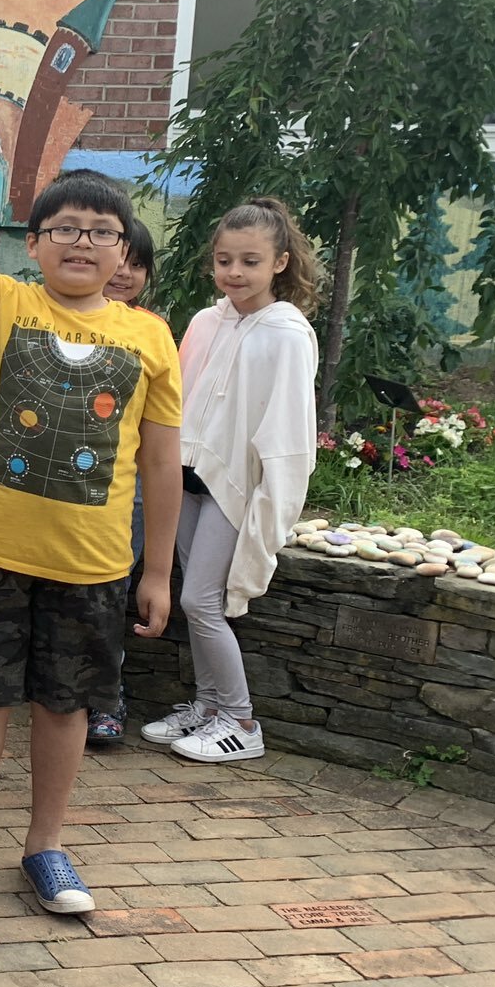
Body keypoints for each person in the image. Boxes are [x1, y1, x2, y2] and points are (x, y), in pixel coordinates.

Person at [0, 128, 182, 917]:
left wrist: (155, 570)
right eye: (65, 228)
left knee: (66, 705)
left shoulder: (149, 337)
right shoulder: (2, 303)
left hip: (91, 561)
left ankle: (46, 846)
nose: (83, 242)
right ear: (37, 244)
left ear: (123, 250)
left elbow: (161, 462)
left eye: (101, 231)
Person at [142, 198, 320, 764]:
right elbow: (180, 397)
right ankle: (209, 705)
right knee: (196, 593)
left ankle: (241, 722)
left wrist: (274, 497)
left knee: (200, 600)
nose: (234, 273)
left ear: (280, 263)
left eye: (249, 261)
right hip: (189, 474)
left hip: (234, 483)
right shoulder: (204, 320)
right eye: (224, 260)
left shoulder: (288, 334)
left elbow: (289, 428)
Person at [88, 215, 159, 745]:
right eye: (122, 258)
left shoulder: (151, 335)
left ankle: (107, 699)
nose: (126, 273)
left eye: (139, 264)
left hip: (124, 494)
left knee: (111, 598)